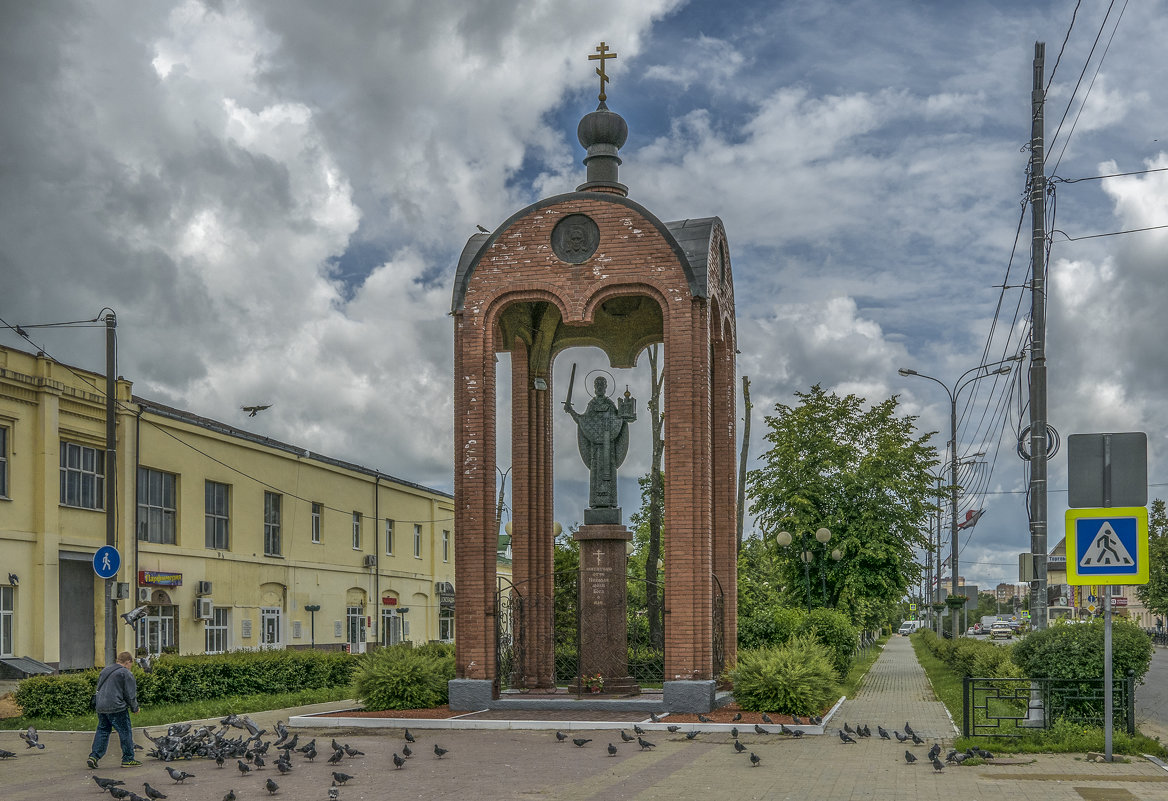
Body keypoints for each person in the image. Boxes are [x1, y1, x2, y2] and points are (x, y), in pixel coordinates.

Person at [87, 650, 140, 768]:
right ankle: (128, 759)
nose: (131, 667)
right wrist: (135, 707)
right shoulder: (125, 673)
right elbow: (130, 694)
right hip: (116, 707)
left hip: (101, 706)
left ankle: (94, 756)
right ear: (128, 662)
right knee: (125, 731)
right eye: (131, 664)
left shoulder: (105, 670)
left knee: (103, 730)